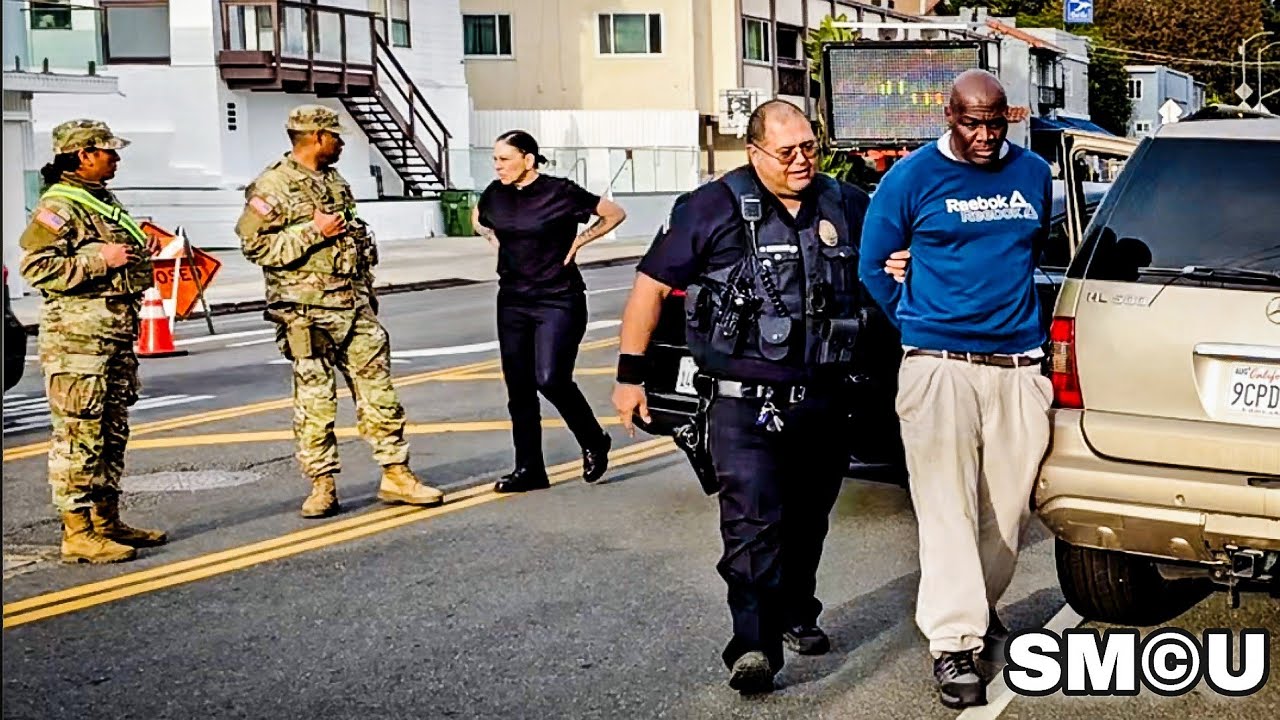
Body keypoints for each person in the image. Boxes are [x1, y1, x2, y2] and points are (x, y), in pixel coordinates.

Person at [612, 100, 890, 694]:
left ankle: (795, 610)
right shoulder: (709, 208)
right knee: (751, 522)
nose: (801, 160)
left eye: (809, 147)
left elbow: (886, 267)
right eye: (786, 151)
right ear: (754, 151)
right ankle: (753, 645)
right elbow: (651, 288)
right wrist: (630, 375)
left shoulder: (846, 203)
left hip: (827, 396)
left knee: (808, 519)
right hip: (744, 403)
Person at [858, 70, 1055, 710]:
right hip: (939, 363)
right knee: (947, 509)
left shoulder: (1033, 173)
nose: (984, 136)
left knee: (1008, 512)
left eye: (995, 123)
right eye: (971, 122)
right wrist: (918, 320)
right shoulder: (911, 178)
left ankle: (981, 607)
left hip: (1019, 366)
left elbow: (1028, 254)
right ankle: (954, 643)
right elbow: (873, 263)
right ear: (948, 115)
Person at [236, 104, 445, 518]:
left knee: (379, 393)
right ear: (315, 137)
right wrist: (314, 231)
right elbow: (256, 247)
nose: (342, 143)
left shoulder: (333, 181)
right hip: (306, 313)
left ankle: (396, 472)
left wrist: (365, 291)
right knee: (316, 401)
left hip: (352, 305)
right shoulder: (271, 186)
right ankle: (322, 484)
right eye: (335, 136)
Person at [19, 119, 168, 564]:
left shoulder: (99, 200)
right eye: (108, 151)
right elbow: (37, 267)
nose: (116, 158)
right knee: (78, 434)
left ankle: (107, 520)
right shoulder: (59, 206)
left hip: (113, 334)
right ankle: (77, 531)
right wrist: (100, 261)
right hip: (78, 341)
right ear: (83, 155)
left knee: (110, 430)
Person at [471, 131, 627, 493]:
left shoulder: (560, 192)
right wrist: (492, 238)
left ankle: (594, 439)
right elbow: (479, 217)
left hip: (558, 298)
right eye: (495, 159)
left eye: (505, 159)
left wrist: (581, 240)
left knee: (551, 378)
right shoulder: (496, 193)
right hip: (512, 299)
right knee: (519, 388)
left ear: (528, 159)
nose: (498, 166)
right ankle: (529, 469)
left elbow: (614, 213)